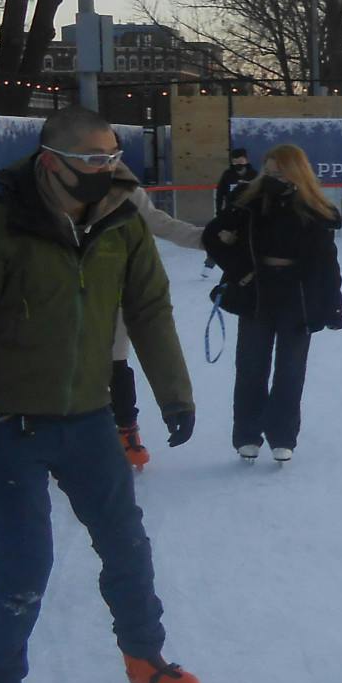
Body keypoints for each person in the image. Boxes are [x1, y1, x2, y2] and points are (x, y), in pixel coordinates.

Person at [0, 106, 201, 683]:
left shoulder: (121, 222)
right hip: (6, 427)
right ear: (53, 162)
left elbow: (149, 310)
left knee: (127, 545)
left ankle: (145, 657)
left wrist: (174, 394)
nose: (108, 170)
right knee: (23, 572)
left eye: (113, 157)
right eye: (94, 160)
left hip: (87, 418)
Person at [203, 144, 342, 463]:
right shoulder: (247, 201)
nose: (272, 178)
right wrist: (240, 272)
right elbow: (213, 237)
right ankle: (247, 435)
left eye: (280, 173)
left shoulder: (315, 209)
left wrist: (333, 305)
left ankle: (283, 436)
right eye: (268, 172)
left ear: (297, 173)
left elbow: (327, 263)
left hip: (298, 298)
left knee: (290, 371)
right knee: (250, 366)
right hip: (256, 294)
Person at [110, 184, 208, 469]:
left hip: (114, 296)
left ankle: (126, 430)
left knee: (115, 367)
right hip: (59, 305)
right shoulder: (43, 191)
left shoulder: (124, 191)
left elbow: (159, 223)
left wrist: (210, 239)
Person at [214, 145, 257, 218]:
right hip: (231, 211)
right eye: (235, 161)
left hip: (249, 211)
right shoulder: (227, 174)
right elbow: (220, 194)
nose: (238, 163)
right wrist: (219, 211)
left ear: (246, 160)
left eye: (241, 161)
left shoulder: (253, 174)